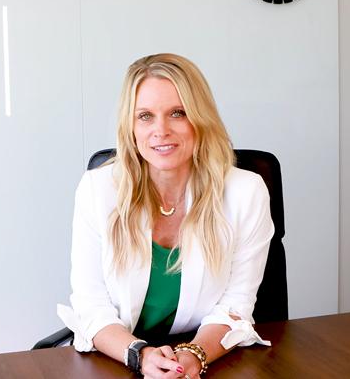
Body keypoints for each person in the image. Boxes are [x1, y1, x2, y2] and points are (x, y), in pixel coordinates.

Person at [57, 54, 274, 378]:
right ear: (130, 127)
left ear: (200, 119)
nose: (161, 130)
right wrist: (140, 355)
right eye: (145, 116)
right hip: (118, 359)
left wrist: (193, 355)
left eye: (178, 113)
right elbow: (90, 306)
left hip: (207, 358)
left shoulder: (246, 191)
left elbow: (236, 304)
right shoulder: (97, 190)